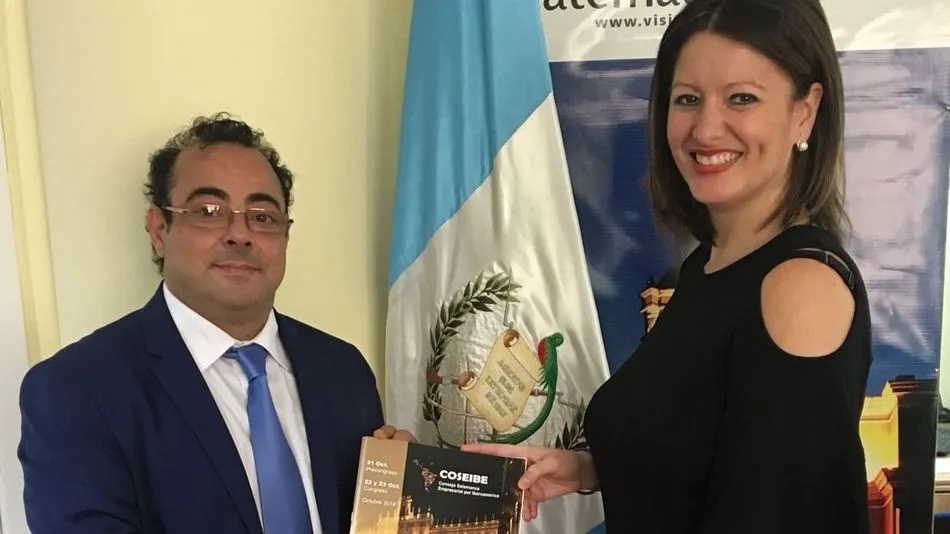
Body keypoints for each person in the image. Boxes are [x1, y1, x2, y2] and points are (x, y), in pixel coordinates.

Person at [464, 0, 872, 532]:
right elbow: (704, 451)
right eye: (688, 99)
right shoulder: (708, 265)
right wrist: (586, 469)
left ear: (805, 111)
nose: (706, 128)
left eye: (742, 98)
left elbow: (777, 512)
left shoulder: (800, 285)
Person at [17, 113, 413, 534]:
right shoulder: (75, 391)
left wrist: (400, 506)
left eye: (263, 216)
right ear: (159, 230)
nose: (240, 234)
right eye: (209, 211)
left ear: (286, 235)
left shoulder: (343, 371)